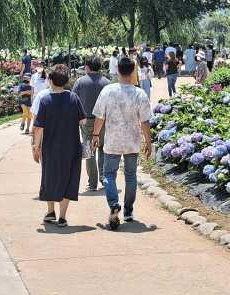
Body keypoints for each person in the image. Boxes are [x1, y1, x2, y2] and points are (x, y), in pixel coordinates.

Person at [91, 57, 153, 230]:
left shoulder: (108, 91)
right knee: (131, 175)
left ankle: (113, 203)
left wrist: (96, 134)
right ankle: (128, 211)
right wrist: (148, 142)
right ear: (133, 71)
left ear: (118, 70)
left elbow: (99, 116)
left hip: (112, 140)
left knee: (109, 174)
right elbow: (145, 121)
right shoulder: (139, 93)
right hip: (132, 140)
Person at [32, 64, 87, 227]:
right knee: (69, 177)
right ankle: (63, 216)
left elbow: (39, 127)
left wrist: (37, 148)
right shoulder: (73, 98)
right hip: (71, 146)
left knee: (49, 176)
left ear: (50, 80)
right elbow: (82, 120)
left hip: (50, 146)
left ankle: (50, 211)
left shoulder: (45, 100)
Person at [72, 56, 110, 191]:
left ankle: (92, 182)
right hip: (104, 120)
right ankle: (105, 178)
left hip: (86, 120)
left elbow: (73, 101)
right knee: (103, 148)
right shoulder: (106, 82)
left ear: (87, 67)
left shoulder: (80, 82)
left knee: (89, 149)